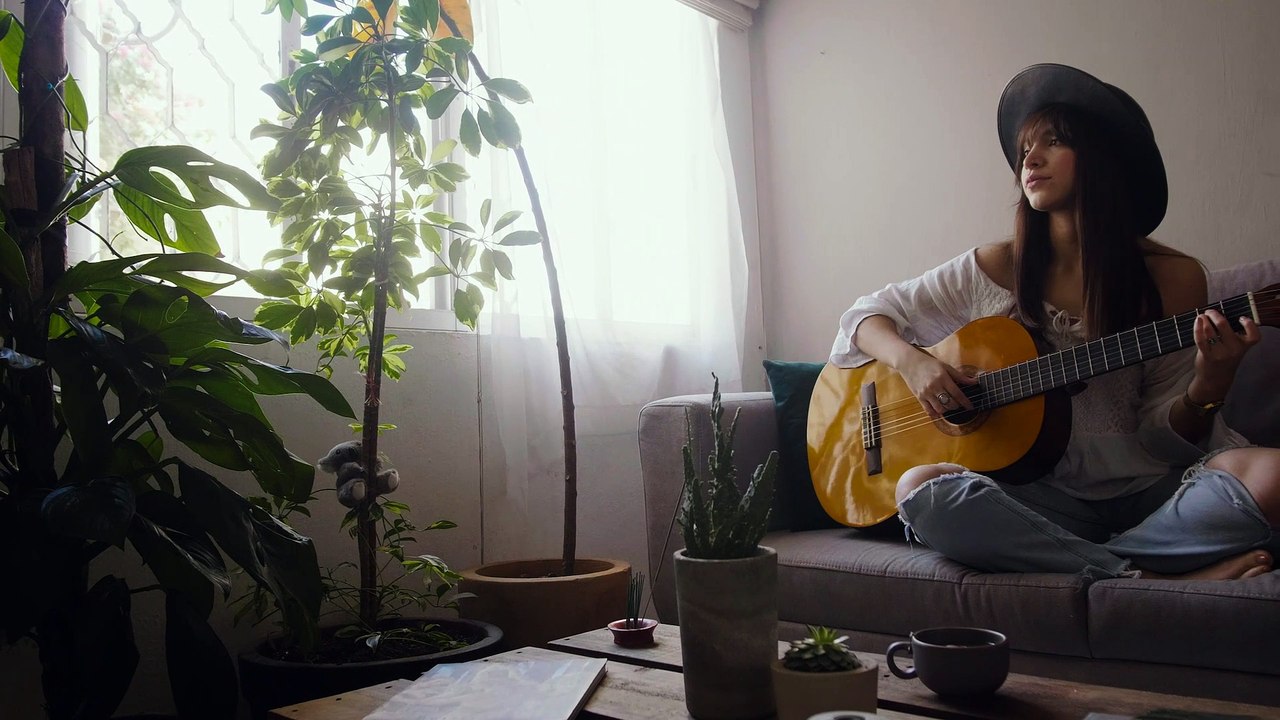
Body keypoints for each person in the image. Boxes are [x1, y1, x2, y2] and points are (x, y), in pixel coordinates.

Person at [829, 64, 1279, 581]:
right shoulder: (994, 268)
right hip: (1037, 502)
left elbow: (1162, 440)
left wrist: (1211, 380)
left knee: (1272, 476)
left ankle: (1101, 567)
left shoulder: (1172, 278)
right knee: (921, 489)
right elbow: (861, 318)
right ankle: (1146, 578)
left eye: (1054, 142)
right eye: (1025, 150)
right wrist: (914, 364)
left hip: (1156, 496)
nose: (1031, 159)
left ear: (1102, 159)